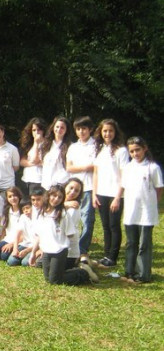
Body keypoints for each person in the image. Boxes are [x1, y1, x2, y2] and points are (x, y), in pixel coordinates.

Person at [29, 185, 97, 285]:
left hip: (59, 251)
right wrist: (33, 253)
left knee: (55, 281)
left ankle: (82, 273)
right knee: (48, 279)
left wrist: (60, 241)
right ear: (48, 195)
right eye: (54, 195)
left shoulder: (63, 214)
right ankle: (73, 270)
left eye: (60, 197)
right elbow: (39, 235)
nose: (56, 199)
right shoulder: (41, 213)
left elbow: (70, 234)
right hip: (47, 251)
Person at [120, 136, 163, 283]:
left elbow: (159, 188)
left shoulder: (153, 167)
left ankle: (144, 274)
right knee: (131, 242)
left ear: (145, 148)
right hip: (131, 211)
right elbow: (124, 186)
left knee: (144, 243)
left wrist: (152, 204)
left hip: (146, 213)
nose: (135, 154)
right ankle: (129, 271)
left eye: (137, 150)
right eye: (131, 151)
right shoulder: (128, 167)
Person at [92, 119, 128, 267]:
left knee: (114, 225)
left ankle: (112, 257)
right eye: (105, 131)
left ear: (115, 132)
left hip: (115, 194)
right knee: (105, 226)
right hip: (101, 193)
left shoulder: (122, 150)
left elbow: (124, 175)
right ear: (101, 132)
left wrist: (118, 197)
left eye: (110, 131)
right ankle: (106, 255)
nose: (107, 133)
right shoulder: (99, 149)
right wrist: (94, 194)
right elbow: (95, 173)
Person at [66, 116, 96, 263]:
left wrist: (87, 167)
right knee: (71, 218)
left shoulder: (96, 145)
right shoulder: (73, 147)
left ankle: (82, 249)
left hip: (89, 187)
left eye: (84, 128)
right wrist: (86, 167)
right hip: (74, 188)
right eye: (78, 129)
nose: (81, 131)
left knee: (87, 219)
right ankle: (72, 248)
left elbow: (97, 167)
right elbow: (69, 167)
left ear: (90, 129)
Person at [41, 116, 72, 191]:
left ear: (66, 130)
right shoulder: (45, 145)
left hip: (62, 184)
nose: (59, 129)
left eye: (62, 128)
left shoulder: (70, 146)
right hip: (46, 185)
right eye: (57, 127)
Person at [19, 118, 46, 195]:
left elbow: (35, 159)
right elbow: (22, 161)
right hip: (26, 179)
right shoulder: (27, 143)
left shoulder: (47, 144)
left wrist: (36, 143)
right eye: (34, 130)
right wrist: (33, 163)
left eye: (39, 130)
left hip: (38, 180)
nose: (36, 132)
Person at [63, 178, 84, 270]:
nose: (72, 192)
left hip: (68, 250)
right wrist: (65, 204)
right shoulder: (63, 202)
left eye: (76, 191)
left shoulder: (74, 208)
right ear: (65, 187)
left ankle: (83, 272)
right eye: (70, 188)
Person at [6, 198, 34, 266]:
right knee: (11, 261)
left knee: (25, 263)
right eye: (23, 209)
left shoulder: (39, 218)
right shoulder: (22, 217)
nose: (26, 211)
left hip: (35, 247)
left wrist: (27, 251)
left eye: (27, 208)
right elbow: (17, 234)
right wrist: (15, 249)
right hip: (25, 244)